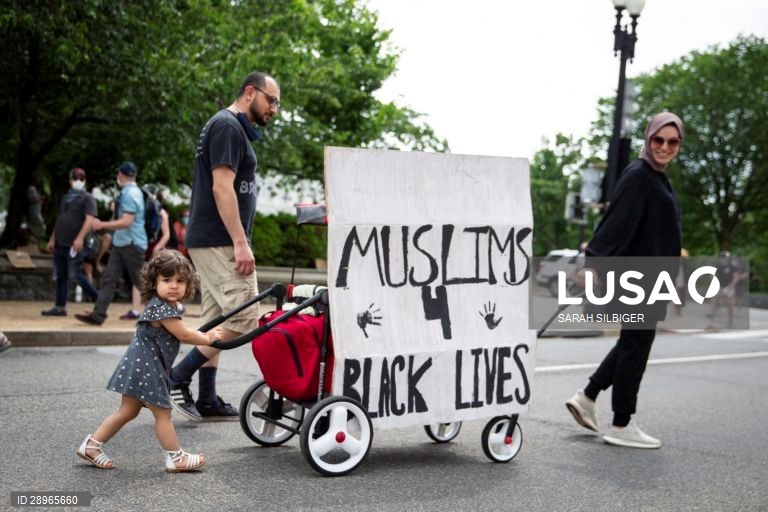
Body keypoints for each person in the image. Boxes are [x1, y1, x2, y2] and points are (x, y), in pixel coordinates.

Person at [565, 112, 685, 449]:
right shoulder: (639, 176)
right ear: (648, 139)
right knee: (636, 348)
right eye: (658, 140)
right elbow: (614, 223)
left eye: (672, 142)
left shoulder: (656, 177)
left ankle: (587, 397)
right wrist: (593, 265)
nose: (664, 147)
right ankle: (621, 423)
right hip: (639, 279)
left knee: (631, 344)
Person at [169, 71, 280, 421]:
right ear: (250, 92)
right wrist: (240, 242)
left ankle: (207, 399)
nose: (274, 108)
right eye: (271, 100)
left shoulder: (227, 128)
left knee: (218, 318)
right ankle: (176, 376)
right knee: (246, 318)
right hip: (220, 240)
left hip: (211, 237)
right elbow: (221, 187)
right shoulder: (228, 126)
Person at [76, 250, 223, 471]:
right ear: (154, 282)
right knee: (163, 413)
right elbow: (183, 334)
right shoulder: (161, 309)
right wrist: (208, 338)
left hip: (139, 366)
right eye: (167, 280)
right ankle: (176, 458)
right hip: (148, 369)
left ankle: (92, 445)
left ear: (188, 284)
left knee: (127, 412)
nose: (174, 285)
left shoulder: (164, 306)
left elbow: (180, 330)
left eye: (180, 281)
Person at [75, 161, 146, 326]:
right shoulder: (128, 192)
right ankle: (98, 315)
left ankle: (168, 311)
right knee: (109, 278)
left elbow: (127, 221)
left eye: (118, 174)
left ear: (121, 175)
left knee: (141, 282)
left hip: (132, 244)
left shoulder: (131, 194)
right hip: (122, 243)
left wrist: (102, 225)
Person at [42, 168, 99, 316]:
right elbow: (61, 218)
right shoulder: (66, 198)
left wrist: (80, 238)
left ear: (85, 180)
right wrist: (53, 238)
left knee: (76, 275)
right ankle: (59, 307)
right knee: (61, 275)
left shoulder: (88, 198)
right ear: (70, 180)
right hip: (61, 242)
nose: (78, 181)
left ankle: (99, 300)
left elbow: (89, 220)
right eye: (75, 178)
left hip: (75, 244)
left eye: (81, 178)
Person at [121, 190, 172, 321]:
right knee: (139, 277)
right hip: (144, 246)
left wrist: (157, 248)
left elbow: (166, 234)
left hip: (156, 249)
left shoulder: (162, 213)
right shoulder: (144, 211)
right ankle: (135, 310)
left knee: (161, 279)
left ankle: (173, 306)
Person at [26, 177, 46, 241]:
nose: (39, 182)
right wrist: (41, 198)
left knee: (37, 224)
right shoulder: (32, 188)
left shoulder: (34, 189)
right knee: (39, 223)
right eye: (38, 180)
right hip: (33, 210)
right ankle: (38, 237)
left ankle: (36, 238)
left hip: (36, 210)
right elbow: (33, 199)